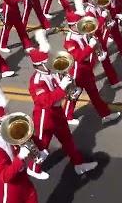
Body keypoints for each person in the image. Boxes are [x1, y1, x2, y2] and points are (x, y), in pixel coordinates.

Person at [27, 29, 98, 180]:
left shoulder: (51, 72)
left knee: (67, 139)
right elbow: (45, 101)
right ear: (39, 65)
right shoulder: (36, 82)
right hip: (44, 116)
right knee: (42, 143)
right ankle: (33, 168)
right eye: (47, 62)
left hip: (57, 111)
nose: (50, 63)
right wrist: (61, 88)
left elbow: (59, 90)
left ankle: (78, 164)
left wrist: (68, 85)